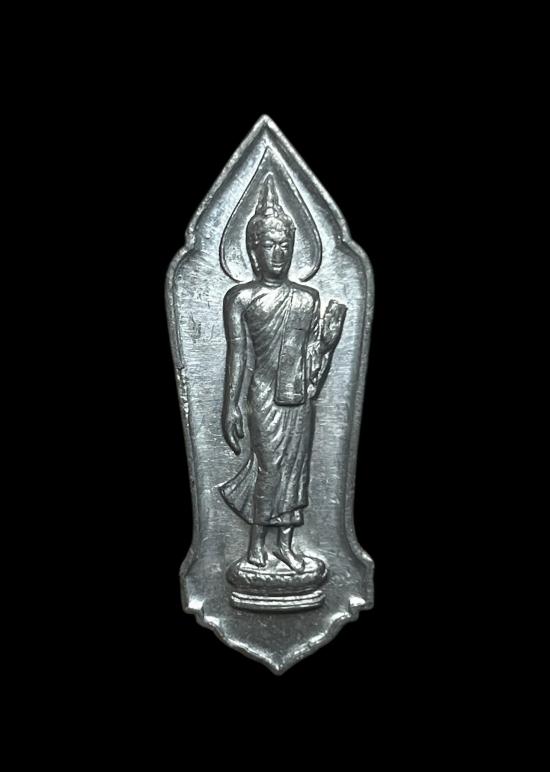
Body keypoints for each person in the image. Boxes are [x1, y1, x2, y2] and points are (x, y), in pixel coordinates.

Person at [219, 174, 346, 572]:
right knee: (271, 469)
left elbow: (311, 357)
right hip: (263, 395)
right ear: (253, 251)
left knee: (296, 471)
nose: (278, 253)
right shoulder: (241, 297)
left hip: (298, 398)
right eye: (269, 245)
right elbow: (238, 354)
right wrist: (230, 406)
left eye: (284, 245)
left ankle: (287, 546)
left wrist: (325, 345)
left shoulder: (307, 298)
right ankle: (257, 545)